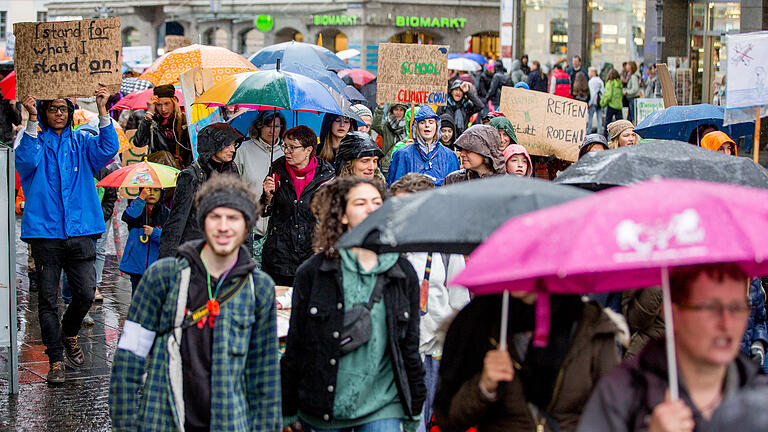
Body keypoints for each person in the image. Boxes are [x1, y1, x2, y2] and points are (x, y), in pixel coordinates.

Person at [109, 174, 281, 431]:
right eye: (215, 217)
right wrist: (125, 424)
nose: (223, 227)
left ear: (247, 226)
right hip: (165, 419)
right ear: (202, 221)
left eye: (233, 218)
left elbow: (264, 373)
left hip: (229, 421)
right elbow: (129, 357)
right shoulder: (162, 278)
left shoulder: (260, 288)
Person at [281, 177, 425, 432]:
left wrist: (414, 407)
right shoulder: (314, 272)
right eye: (360, 203)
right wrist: (287, 409)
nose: (371, 209)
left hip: (383, 404)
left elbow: (408, 346)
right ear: (343, 215)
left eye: (377, 203)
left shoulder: (402, 273)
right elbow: (297, 346)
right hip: (324, 406)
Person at [577, 263, 768, 432]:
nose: (726, 323)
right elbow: (637, 317)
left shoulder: (760, 398)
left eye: (736, 308)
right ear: (674, 312)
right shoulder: (621, 393)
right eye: (710, 308)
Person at [16, 84, 119, 384]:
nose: (58, 113)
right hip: (45, 235)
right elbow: (23, 161)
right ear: (45, 113)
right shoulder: (34, 140)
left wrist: (103, 111)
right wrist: (31, 118)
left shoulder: (83, 141)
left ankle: (69, 331)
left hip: (82, 230)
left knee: (86, 293)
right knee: (48, 300)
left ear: (70, 112)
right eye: (52, 108)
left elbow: (107, 148)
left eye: (63, 108)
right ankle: (55, 360)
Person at [435, 293, 625, 432]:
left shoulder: (590, 325)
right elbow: (448, 420)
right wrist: (483, 387)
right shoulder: (479, 323)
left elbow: (616, 416)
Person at [389, 174, 471, 432]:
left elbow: (459, 304)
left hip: (432, 354)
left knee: (425, 420)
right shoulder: (387, 244)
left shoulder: (446, 247)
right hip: (393, 351)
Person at [261, 125, 334, 286]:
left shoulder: (326, 175)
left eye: (292, 147)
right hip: (279, 256)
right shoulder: (277, 169)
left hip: (310, 254)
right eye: (284, 146)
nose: (286, 151)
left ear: (308, 150)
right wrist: (267, 196)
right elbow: (264, 210)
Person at [159, 123, 243, 258]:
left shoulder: (231, 170)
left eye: (234, 145)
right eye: (227, 145)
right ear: (214, 145)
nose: (232, 149)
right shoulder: (191, 176)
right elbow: (177, 221)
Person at [234, 110, 286, 238]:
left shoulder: (287, 152)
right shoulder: (243, 150)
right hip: (249, 225)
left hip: (278, 228)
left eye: (276, 126)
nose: (272, 131)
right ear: (259, 126)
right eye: (268, 126)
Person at [387, 105, 460, 187]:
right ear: (416, 127)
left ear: (437, 126)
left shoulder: (450, 156)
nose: (427, 125)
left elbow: (455, 189)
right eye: (422, 122)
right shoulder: (402, 154)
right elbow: (394, 189)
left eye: (431, 122)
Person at [119, 188, 170, 293]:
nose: (151, 193)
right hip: (136, 263)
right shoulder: (137, 208)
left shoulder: (166, 213)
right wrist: (141, 199)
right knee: (137, 293)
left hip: (156, 263)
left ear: (161, 193)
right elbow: (127, 217)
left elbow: (169, 237)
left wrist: (154, 232)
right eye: (148, 190)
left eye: (156, 190)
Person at [134, 84, 192, 168]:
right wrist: (149, 115)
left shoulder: (185, 120)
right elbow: (138, 143)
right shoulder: (152, 122)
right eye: (158, 105)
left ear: (174, 101)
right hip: (160, 168)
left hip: (184, 168)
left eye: (167, 103)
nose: (163, 109)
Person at [372, 103, 409, 174]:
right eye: (396, 109)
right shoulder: (386, 125)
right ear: (391, 111)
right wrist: (380, 108)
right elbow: (375, 125)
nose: (398, 113)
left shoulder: (408, 126)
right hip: (387, 166)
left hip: (403, 164)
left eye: (401, 110)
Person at [601, 69, 624, 137]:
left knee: (607, 122)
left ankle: (605, 137)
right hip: (619, 106)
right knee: (620, 124)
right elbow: (621, 94)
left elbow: (608, 95)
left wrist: (602, 103)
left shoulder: (609, 83)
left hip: (611, 105)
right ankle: (620, 136)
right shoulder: (619, 83)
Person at [587, 67, 605, 134]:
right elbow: (603, 91)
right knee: (599, 118)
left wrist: (589, 103)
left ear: (593, 72)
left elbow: (592, 93)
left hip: (593, 102)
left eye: (589, 72)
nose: (589, 73)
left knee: (590, 117)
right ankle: (599, 132)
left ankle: (589, 131)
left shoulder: (591, 81)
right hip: (599, 102)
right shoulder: (600, 80)